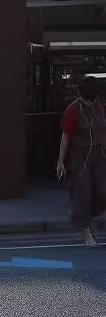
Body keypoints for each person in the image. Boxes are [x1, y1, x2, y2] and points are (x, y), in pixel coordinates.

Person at [57, 75, 106, 246]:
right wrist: (60, 161)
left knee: (102, 190)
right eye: (87, 99)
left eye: (92, 99)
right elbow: (66, 137)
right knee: (83, 192)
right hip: (81, 155)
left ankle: (91, 219)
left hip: (100, 153)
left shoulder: (100, 106)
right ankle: (85, 230)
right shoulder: (73, 109)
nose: (89, 103)